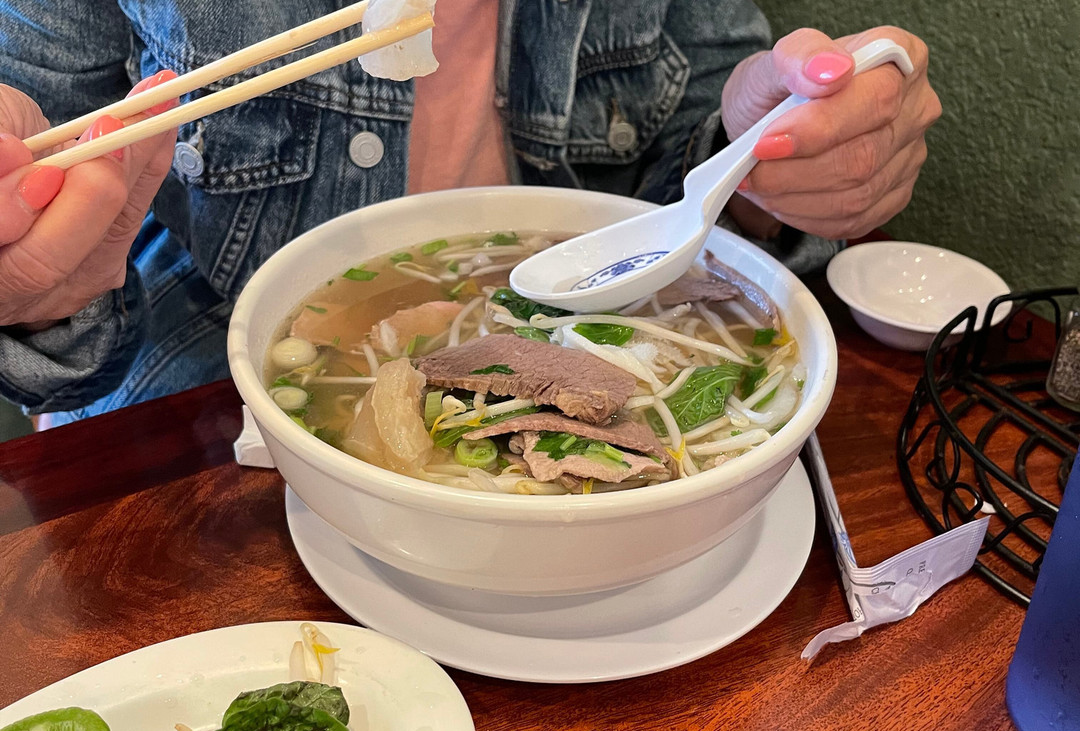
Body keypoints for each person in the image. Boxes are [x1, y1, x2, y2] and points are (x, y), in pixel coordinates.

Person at [0, 1, 940, 425]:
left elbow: (706, 146)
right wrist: (41, 280)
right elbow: (45, 157)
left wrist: (772, 165)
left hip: (609, 333)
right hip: (199, 363)